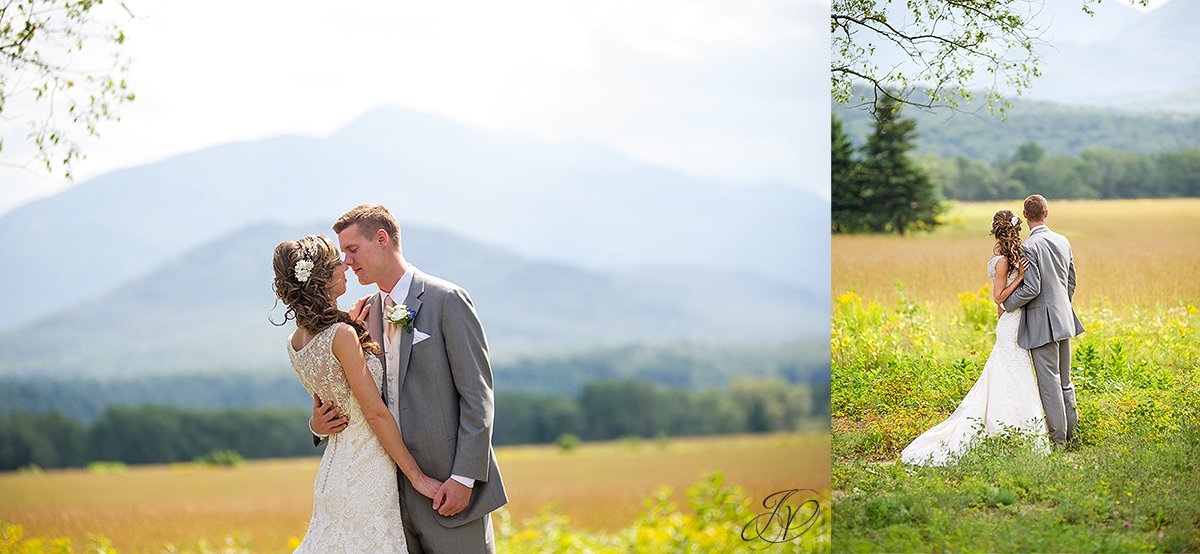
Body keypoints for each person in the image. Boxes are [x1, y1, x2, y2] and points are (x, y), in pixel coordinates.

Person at [310, 204, 508, 553]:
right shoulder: (360, 317)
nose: (347, 262)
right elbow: (353, 397)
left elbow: (478, 397)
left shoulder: (447, 300)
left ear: (382, 239)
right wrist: (317, 425)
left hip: (448, 492)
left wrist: (464, 478)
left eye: (353, 250)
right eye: (344, 253)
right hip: (387, 498)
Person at [273, 234, 440, 553]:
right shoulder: (342, 335)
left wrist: (315, 427)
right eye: (338, 263)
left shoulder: (297, 342)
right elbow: (375, 413)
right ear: (322, 278)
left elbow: (327, 403)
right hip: (365, 472)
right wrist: (417, 477)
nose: (346, 267)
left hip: (333, 474)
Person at [900, 209, 1050, 466]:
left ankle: (1017, 429)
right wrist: (1022, 279)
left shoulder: (1014, 255)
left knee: (1013, 370)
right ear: (1013, 231)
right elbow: (998, 296)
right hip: (1009, 322)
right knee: (1008, 369)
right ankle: (1006, 429)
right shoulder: (1002, 260)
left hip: (1012, 320)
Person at [1000, 194, 1085, 448]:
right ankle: (1074, 437)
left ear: (1025, 216)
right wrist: (1060, 306)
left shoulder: (1028, 247)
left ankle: (1058, 442)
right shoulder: (1063, 240)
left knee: (1049, 384)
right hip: (1064, 318)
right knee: (1065, 381)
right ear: (1046, 213)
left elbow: (1032, 287)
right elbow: (1071, 282)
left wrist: (1006, 304)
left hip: (1042, 324)